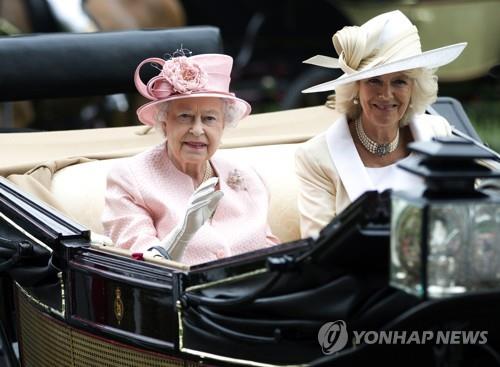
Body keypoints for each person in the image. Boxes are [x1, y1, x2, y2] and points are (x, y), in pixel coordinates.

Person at [295, 10, 467, 239]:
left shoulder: (438, 133)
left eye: (399, 81)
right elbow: (317, 248)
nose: (386, 94)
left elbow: (467, 212)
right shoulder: (315, 157)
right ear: (356, 87)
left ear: (414, 87)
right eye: (374, 81)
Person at [102, 52, 280, 265]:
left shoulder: (247, 176)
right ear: (164, 121)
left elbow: (271, 250)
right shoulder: (130, 179)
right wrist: (181, 234)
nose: (197, 129)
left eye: (209, 118)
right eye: (185, 116)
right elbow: (141, 264)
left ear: (223, 125)